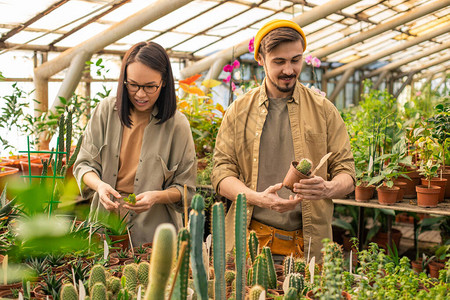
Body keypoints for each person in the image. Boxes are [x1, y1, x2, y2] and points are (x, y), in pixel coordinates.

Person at [211, 19, 355, 262]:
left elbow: (347, 173)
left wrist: (327, 188)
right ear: (260, 59)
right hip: (248, 242)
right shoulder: (239, 111)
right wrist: (257, 198)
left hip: (309, 246)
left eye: (295, 60)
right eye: (279, 61)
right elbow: (221, 173)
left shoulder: (324, 111)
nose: (289, 70)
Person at [74, 41, 196, 246]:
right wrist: (100, 186)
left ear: (164, 82)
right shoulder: (105, 111)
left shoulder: (177, 125)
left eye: (150, 87)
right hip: (104, 224)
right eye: (133, 85)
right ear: (124, 81)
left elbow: (186, 190)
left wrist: (156, 197)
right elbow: (83, 165)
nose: (140, 94)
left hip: (155, 232)